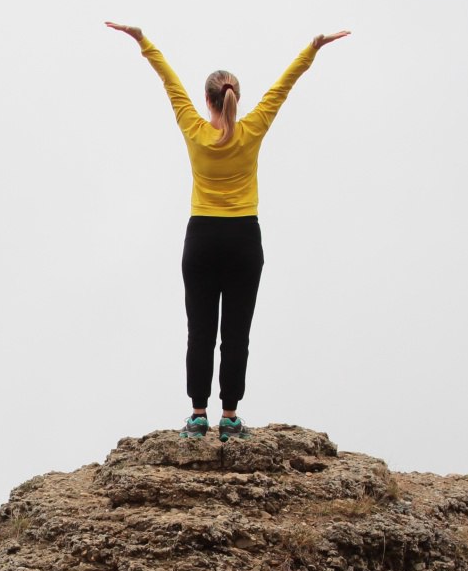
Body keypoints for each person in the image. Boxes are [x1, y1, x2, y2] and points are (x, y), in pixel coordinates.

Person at [106, 22, 350, 440]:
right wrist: (312, 48)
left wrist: (143, 41)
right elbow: (284, 86)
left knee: (200, 331)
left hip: (201, 239)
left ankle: (199, 415)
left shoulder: (195, 130)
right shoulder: (253, 128)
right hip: (243, 240)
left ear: (207, 100)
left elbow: (170, 83)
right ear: (237, 97)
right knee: (236, 333)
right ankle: (231, 417)